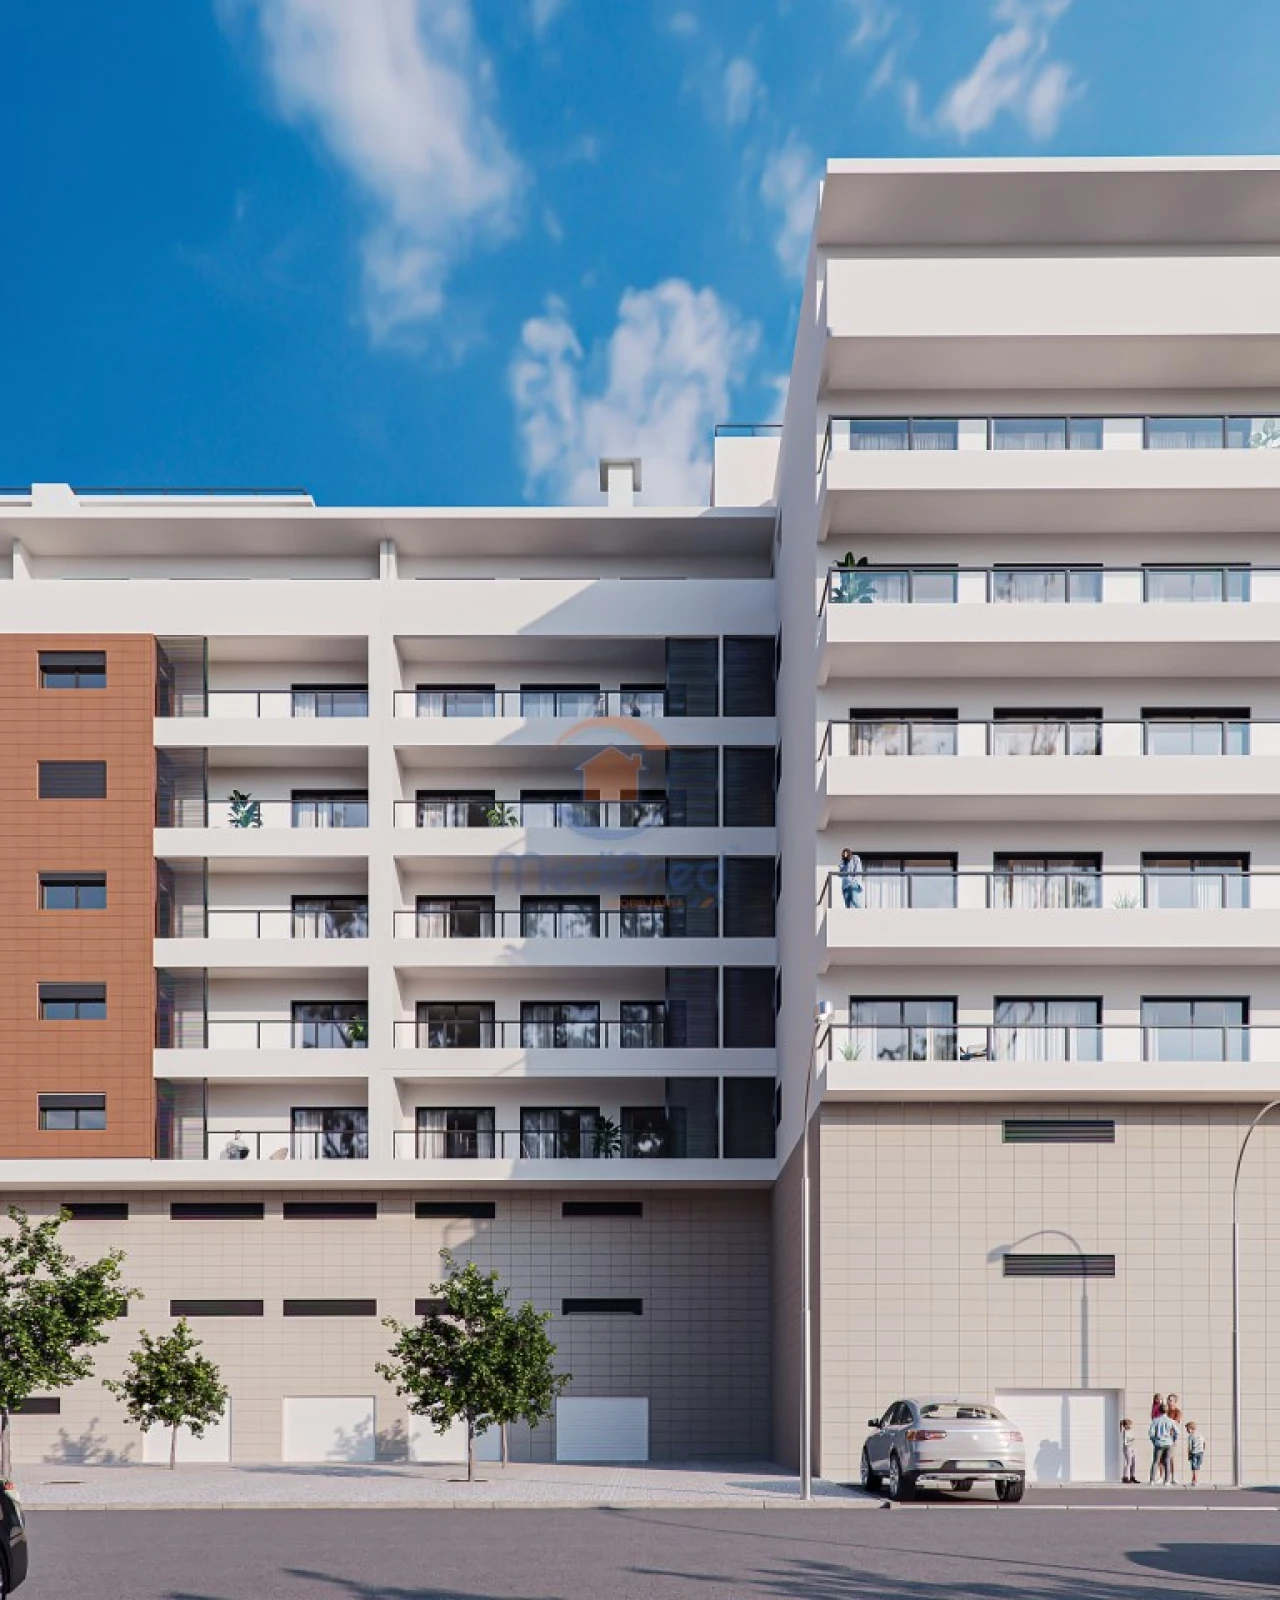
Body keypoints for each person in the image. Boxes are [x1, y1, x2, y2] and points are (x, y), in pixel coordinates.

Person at [1149, 1405, 1176, 1484]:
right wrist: (1173, 1439)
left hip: (1159, 1443)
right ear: (1167, 1411)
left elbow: (1151, 1433)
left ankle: (1152, 1480)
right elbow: (1177, 1432)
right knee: (1167, 1461)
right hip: (1168, 1442)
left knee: (1155, 1461)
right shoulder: (1171, 1421)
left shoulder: (1155, 1420)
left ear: (1159, 1410)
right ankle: (1167, 1480)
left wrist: (1154, 1441)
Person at [1164, 1393, 1183, 1484]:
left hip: (1171, 1436)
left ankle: (1173, 1477)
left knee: (1170, 1457)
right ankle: (1162, 1476)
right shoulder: (1165, 1411)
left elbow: (1175, 1423)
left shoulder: (1177, 1411)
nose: (1169, 1402)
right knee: (1161, 1457)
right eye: (1168, 1400)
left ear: (1175, 1402)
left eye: (1171, 1400)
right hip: (1162, 1436)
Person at [1186, 1421, 1205, 1487]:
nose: (1187, 1431)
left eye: (1187, 1429)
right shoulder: (1200, 1434)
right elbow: (1204, 1443)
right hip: (1201, 1452)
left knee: (1194, 1467)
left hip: (1194, 1452)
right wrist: (1203, 1450)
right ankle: (1194, 1479)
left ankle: (1195, 1480)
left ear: (1190, 1428)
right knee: (1197, 1466)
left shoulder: (1190, 1436)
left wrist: (1189, 1455)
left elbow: (1189, 1446)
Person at [1120, 1418, 1137, 1484]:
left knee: (1133, 1463)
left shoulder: (1130, 1431)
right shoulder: (1125, 1432)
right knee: (1128, 1463)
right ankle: (1125, 1477)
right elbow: (1126, 1443)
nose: (1130, 1426)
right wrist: (1131, 1440)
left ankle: (1132, 1476)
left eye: (1130, 1424)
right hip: (1127, 1448)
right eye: (1129, 1425)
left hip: (1131, 1448)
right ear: (1125, 1425)